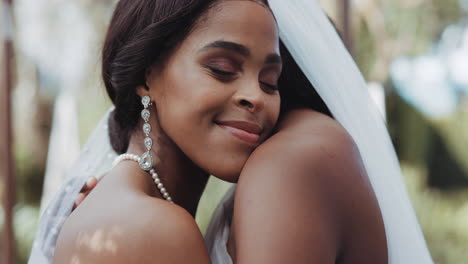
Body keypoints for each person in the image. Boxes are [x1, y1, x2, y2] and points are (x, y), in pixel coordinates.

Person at [28, 0, 434, 263]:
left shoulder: (120, 206)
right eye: (221, 69)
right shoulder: (151, 229)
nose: (255, 96)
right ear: (147, 74)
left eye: (271, 81)